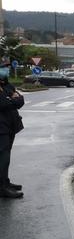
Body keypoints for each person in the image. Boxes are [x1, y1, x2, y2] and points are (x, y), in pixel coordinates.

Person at [0, 61, 24, 199]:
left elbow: (20, 100)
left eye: (7, 68)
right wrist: (11, 99)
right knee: (3, 158)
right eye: (3, 68)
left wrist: (12, 99)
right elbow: (3, 103)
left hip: (9, 127)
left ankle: (5, 182)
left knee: (6, 158)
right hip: (1, 128)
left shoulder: (6, 84)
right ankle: (2, 188)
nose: (6, 70)